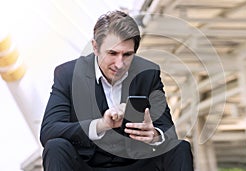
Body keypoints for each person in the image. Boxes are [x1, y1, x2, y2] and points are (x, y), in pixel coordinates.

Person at [40, 10, 194, 171]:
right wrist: (101, 125)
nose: (119, 64)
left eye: (127, 54)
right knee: (55, 147)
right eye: (112, 53)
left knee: (179, 147)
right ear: (95, 47)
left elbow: (168, 132)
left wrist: (154, 135)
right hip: (87, 165)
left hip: (136, 164)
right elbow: (49, 131)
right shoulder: (68, 75)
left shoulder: (148, 73)